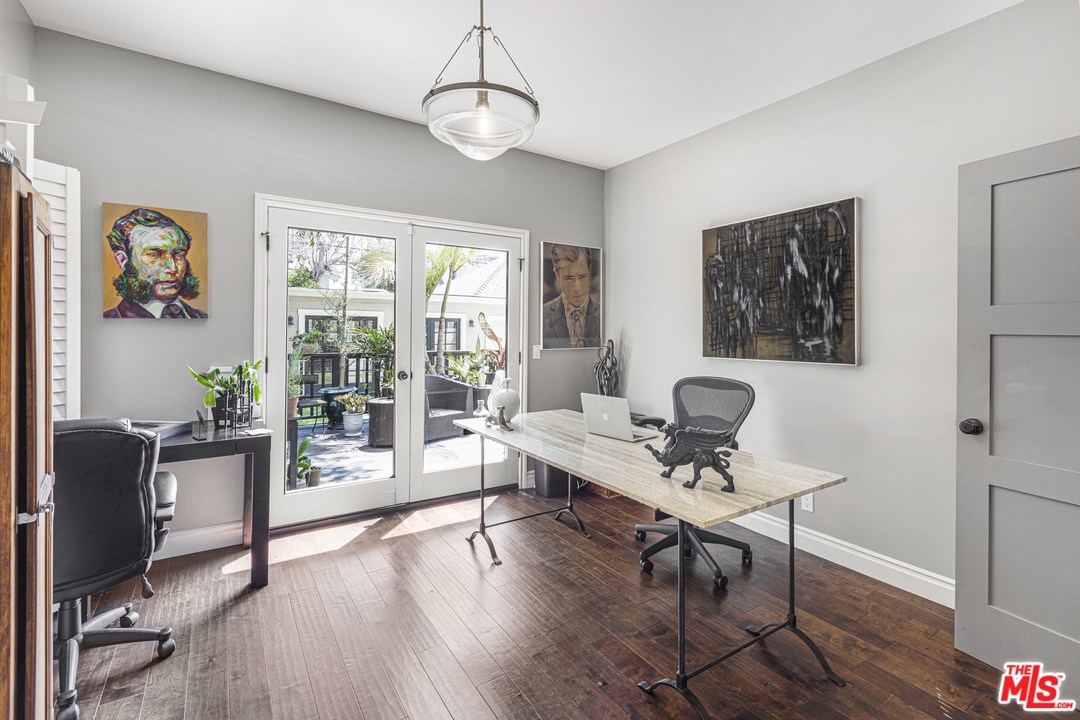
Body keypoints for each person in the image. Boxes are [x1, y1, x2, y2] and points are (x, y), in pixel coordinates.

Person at [103, 208, 206, 318]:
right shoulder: (112, 318)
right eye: (154, 255)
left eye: (179, 254)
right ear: (123, 260)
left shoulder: (202, 317)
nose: (173, 268)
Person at [542, 244, 600, 348]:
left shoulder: (604, 314)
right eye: (569, 278)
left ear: (589, 272)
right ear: (557, 275)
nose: (577, 287)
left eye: (582, 276)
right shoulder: (542, 315)